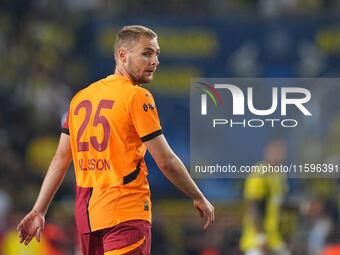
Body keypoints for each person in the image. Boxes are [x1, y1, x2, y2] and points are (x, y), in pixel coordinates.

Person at [17, 25, 215, 255]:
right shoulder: (137, 96)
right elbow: (166, 161)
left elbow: (61, 159)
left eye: (157, 54)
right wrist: (198, 195)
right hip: (126, 213)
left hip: (88, 219)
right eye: (147, 53)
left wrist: (39, 210)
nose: (155, 62)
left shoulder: (80, 98)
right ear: (122, 55)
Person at [240, 137, 290, 255]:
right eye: (275, 151)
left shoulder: (280, 175)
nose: (278, 154)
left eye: (281, 151)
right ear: (267, 152)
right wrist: (261, 239)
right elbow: (253, 208)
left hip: (274, 239)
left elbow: (280, 204)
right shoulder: (260, 174)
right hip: (256, 241)